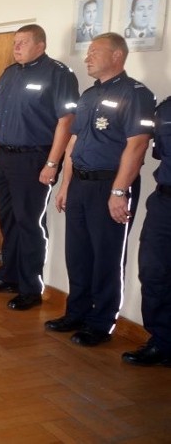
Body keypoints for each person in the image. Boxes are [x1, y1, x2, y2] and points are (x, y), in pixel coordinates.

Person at [48, 33, 155, 346]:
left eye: (95, 52)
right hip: (80, 183)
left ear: (117, 55)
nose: (87, 57)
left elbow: (137, 146)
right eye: (88, 52)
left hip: (109, 186)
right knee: (77, 254)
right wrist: (65, 184)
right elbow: (73, 141)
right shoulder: (88, 95)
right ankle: (76, 312)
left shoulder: (136, 93)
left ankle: (101, 322)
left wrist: (119, 192)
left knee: (107, 257)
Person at [0, 24, 80, 310]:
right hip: (6, 157)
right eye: (15, 42)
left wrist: (52, 163)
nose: (16, 47)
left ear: (40, 45)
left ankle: (31, 287)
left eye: (23, 42)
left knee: (30, 223)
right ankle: (8, 275)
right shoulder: (9, 74)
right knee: (8, 219)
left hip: (34, 159)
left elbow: (66, 122)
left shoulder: (58, 74)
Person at [123, 97, 171, 365]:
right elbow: (159, 152)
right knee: (153, 272)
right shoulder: (165, 109)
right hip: (165, 202)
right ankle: (162, 342)